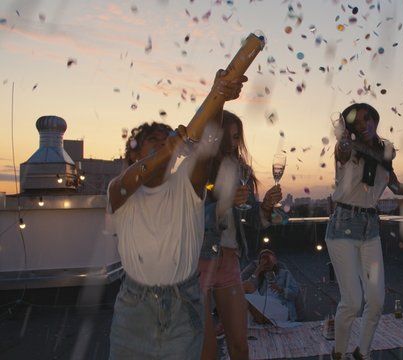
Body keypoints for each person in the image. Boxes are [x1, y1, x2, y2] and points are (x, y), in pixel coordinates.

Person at [106, 70, 247, 359]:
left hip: (184, 304)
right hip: (134, 310)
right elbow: (132, 179)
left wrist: (218, 97)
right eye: (153, 140)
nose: (164, 141)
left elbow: (207, 149)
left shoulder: (187, 185)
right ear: (134, 154)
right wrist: (166, 150)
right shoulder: (121, 189)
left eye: (167, 138)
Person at [325, 103, 403, 360]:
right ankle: (338, 353)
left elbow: (396, 188)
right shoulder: (347, 148)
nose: (363, 125)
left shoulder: (383, 155)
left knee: (375, 301)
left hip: (370, 228)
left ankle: (362, 353)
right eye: (357, 122)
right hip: (342, 225)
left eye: (367, 119)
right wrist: (343, 140)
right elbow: (342, 151)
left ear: (375, 119)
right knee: (352, 302)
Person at [198, 111, 283, 360]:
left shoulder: (241, 169)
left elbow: (250, 217)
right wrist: (223, 203)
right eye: (230, 136)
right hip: (199, 261)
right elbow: (190, 218)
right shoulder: (198, 169)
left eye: (237, 137)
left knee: (240, 347)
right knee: (207, 351)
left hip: (229, 260)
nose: (234, 143)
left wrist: (265, 206)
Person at [242, 249, 301, 322]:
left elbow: (294, 294)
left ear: (275, 261)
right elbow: (247, 288)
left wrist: (280, 289)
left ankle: (259, 319)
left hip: (280, 306)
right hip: (263, 304)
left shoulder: (285, 274)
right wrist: (258, 270)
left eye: (269, 258)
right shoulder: (260, 276)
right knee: (246, 285)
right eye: (263, 258)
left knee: (245, 298)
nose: (266, 261)